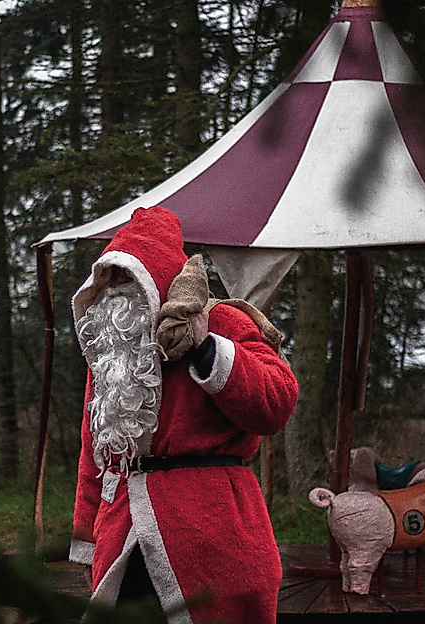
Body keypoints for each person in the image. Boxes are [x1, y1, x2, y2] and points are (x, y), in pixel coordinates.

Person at [67, 206, 299, 624]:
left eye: (128, 276)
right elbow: (95, 455)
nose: (117, 288)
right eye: (110, 276)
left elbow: (277, 401)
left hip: (214, 537)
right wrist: (89, 539)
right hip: (122, 535)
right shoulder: (111, 353)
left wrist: (207, 348)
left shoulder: (221, 321)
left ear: (155, 278)